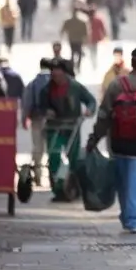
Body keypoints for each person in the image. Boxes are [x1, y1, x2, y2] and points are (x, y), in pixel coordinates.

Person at [87, 46, 136, 233]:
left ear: (132, 63)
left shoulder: (117, 84)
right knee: (135, 181)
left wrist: (94, 138)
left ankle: (127, 216)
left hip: (117, 141)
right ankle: (134, 220)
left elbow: (103, 115)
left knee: (122, 181)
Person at [38, 58, 97, 201]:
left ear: (65, 73)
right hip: (54, 126)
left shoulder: (75, 87)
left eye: (58, 73)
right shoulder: (46, 89)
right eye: (53, 73)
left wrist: (89, 111)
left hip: (72, 127)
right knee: (54, 156)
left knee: (74, 157)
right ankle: (58, 190)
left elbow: (91, 100)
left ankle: (74, 188)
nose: (56, 76)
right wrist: (46, 111)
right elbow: (41, 105)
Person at [22, 58, 54, 186]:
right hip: (52, 120)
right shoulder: (54, 82)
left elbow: (27, 103)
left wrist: (24, 119)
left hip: (36, 119)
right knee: (52, 148)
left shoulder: (33, 83)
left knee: (38, 147)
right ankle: (53, 176)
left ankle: (38, 175)